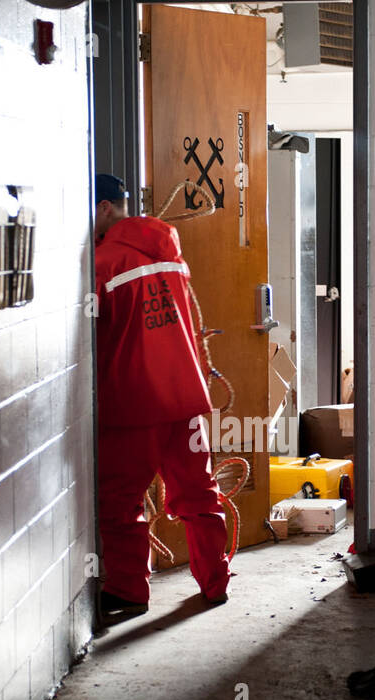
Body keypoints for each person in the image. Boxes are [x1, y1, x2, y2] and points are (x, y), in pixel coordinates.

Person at [92, 173, 230, 622]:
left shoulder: (103, 263)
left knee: (122, 502)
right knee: (200, 495)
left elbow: (90, 339)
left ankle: (130, 592)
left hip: (134, 403)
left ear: (104, 208)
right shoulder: (171, 255)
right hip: (184, 397)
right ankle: (215, 584)